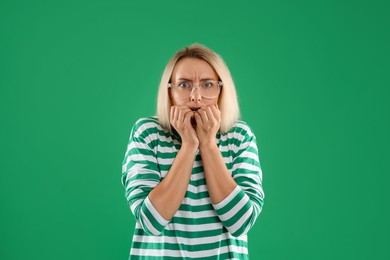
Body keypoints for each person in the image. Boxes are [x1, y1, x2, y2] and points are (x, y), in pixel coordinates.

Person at [121, 43, 265, 259]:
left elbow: (241, 222)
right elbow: (151, 221)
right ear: (169, 91)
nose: (196, 96)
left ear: (221, 90)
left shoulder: (240, 136)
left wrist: (207, 144)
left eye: (207, 84)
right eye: (184, 85)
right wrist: (189, 145)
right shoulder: (147, 133)